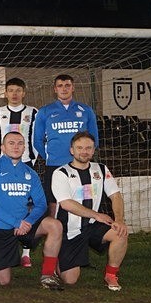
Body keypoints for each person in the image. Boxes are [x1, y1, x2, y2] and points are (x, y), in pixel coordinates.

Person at [0, 132, 64, 290]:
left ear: (25, 147)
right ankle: (0, 264)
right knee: (3, 281)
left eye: (20, 143)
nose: (16, 146)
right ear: (2, 147)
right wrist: (16, 222)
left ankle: (47, 275)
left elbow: (41, 203)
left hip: (24, 225)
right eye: (11, 143)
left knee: (55, 225)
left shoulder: (30, 173)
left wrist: (28, 222)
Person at [52, 132, 128, 291]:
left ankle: (111, 275)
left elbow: (116, 195)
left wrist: (119, 219)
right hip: (70, 230)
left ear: (93, 151)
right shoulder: (61, 173)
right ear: (72, 150)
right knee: (70, 280)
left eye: (88, 148)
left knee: (120, 232)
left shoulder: (100, 169)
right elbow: (66, 204)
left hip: (93, 225)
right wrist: (96, 215)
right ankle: (59, 257)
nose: (84, 151)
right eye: (79, 148)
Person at [33, 74, 99, 217]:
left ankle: (84, 229)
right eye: (60, 86)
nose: (64, 89)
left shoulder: (86, 110)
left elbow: (94, 139)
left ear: (73, 88)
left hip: (80, 164)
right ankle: (54, 232)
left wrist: (84, 156)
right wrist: (49, 157)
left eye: (67, 85)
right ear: (55, 89)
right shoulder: (45, 111)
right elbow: (37, 141)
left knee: (82, 197)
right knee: (53, 201)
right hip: (54, 164)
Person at [0, 78, 39, 268]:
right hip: (3, 166)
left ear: (24, 92)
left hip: (26, 165)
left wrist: (31, 162)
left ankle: (26, 252)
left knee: (28, 207)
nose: (15, 94)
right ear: (5, 93)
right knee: (6, 205)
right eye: (11, 90)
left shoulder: (33, 112)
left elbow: (35, 140)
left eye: (18, 90)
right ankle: (7, 245)